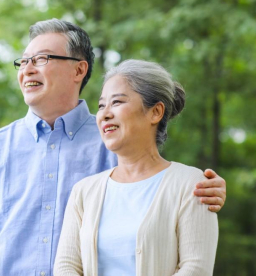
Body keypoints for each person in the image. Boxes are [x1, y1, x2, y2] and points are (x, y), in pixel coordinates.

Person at [0, 19, 226, 276]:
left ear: (79, 69)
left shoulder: (116, 141)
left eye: (41, 59)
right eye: (23, 61)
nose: (27, 69)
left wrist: (203, 189)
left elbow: (156, 194)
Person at [54, 59, 219, 275]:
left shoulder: (192, 185)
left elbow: (196, 268)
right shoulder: (84, 191)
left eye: (117, 102)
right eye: (102, 105)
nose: (104, 114)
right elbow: (66, 267)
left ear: (155, 112)